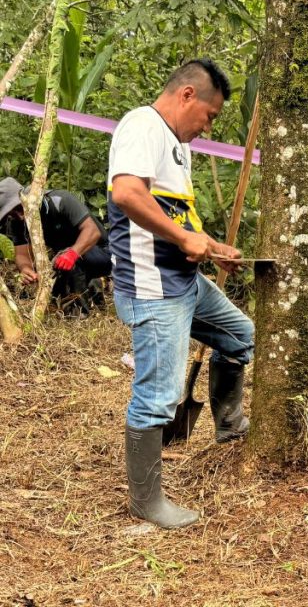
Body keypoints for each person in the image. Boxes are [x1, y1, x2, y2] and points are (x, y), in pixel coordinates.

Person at [107, 58, 253, 529]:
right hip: (153, 285)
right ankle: (147, 503)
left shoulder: (176, 146)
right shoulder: (142, 125)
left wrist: (209, 246)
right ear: (187, 95)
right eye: (209, 117)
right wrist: (186, 239)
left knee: (240, 335)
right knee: (159, 395)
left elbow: (178, 220)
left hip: (184, 281)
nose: (206, 128)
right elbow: (127, 194)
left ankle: (230, 427)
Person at [0, 176, 111, 314]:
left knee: (68, 261)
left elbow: (93, 232)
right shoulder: (16, 221)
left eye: (19, 208)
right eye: (13, 213)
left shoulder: (60, 200)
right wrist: (25, 269)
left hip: (103, 252)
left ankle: (80, 316)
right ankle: (91, 289)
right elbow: (21, 254)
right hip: (64, 258)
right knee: (54, 290)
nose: (20, 216)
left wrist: (72, 253)